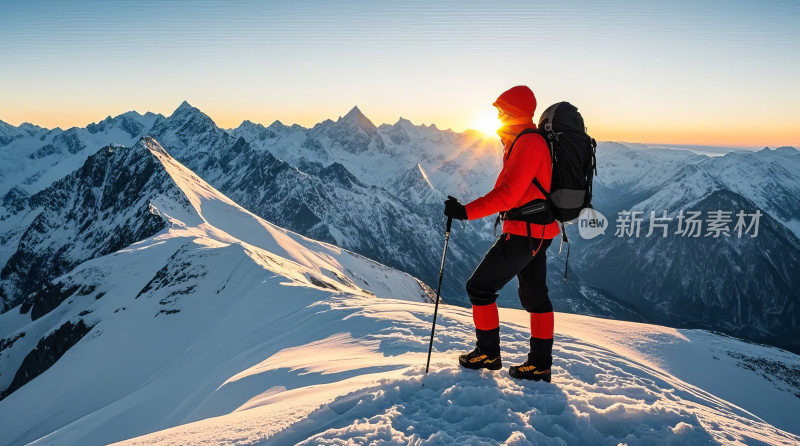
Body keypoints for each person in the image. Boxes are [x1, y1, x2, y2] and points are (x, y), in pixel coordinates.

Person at [444, 85, 560, 382]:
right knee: (536, 298)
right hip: (537, 230)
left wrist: (466, 212)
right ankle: (539, 364)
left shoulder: (529, 142)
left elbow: (508, 194)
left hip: (526, 232)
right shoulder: (523, 140)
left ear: (514, 112)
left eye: (501, 110)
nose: (497, 115)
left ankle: (488, 353)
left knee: (479, 288)